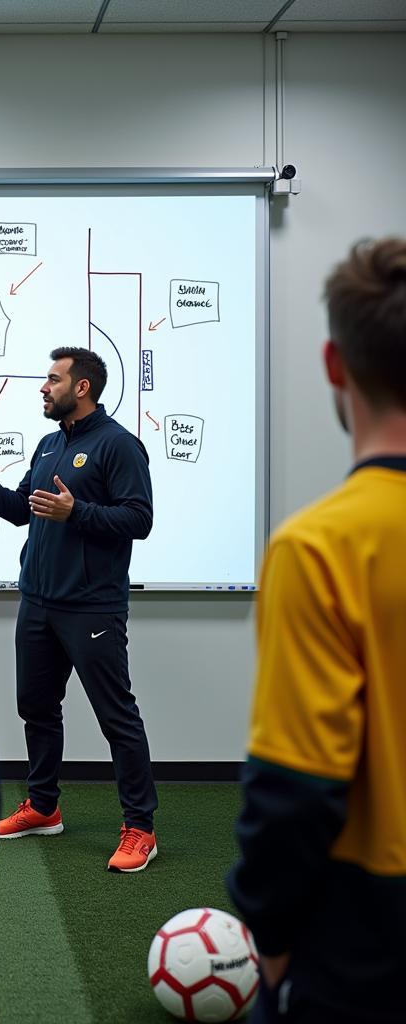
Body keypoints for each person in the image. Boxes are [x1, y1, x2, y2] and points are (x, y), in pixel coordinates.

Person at [227, 237, 406, 1023]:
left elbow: (295, 790)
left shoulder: (321, 547)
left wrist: (270, 936)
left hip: (373, 929)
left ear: (336, 365)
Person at [0, 346, 157, 872]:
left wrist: (76, 510)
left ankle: (141, 828)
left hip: (92, 607)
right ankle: (42, 807)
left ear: (81, 388)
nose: (44, 387)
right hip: (37, 602)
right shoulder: (47, 445)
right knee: (36, 707)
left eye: (53, 379)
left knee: (116, 718)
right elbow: (21, 512)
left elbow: (139, 519)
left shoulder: (119, 446)